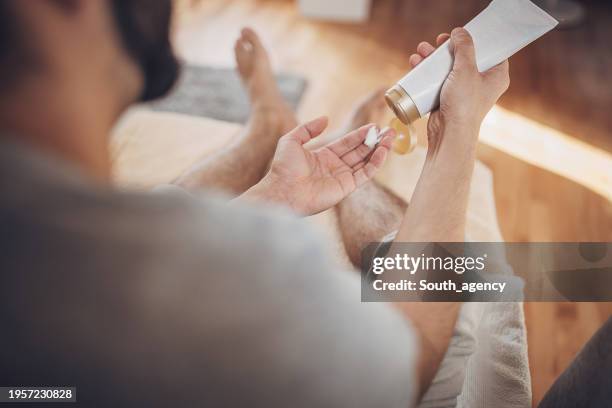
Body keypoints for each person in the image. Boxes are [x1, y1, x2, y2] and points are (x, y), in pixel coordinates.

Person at [0, 0, 510, 406]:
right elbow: (411, 352)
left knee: (168, 203)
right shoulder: (236, 278)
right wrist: (456, 132)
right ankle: (283, 124)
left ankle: (265, 126)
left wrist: (274, 196)